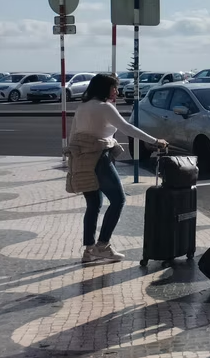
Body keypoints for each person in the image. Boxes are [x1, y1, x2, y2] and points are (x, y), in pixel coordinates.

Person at [67, 74, 167, 265]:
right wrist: (155, 141)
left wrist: (72, 162)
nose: (116, 91)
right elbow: (127, 128)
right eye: (114, 87)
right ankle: (103, 245)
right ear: (104, 88)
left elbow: (73, 135)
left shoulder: (82, 107)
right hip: (100, 159)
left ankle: (89, 250)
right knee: (118, 200)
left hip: (82, 160)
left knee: (93, 204)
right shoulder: (105, 107)